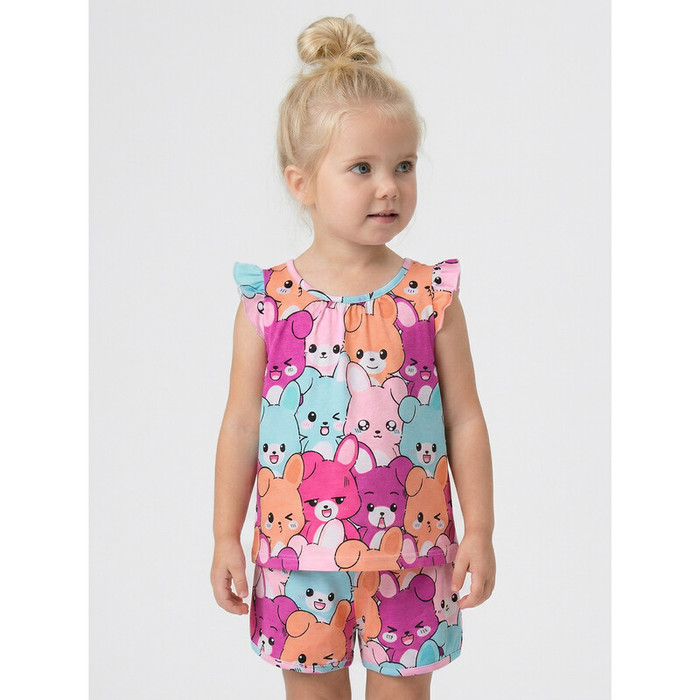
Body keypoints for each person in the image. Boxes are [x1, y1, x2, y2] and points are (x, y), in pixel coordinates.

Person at [211, 15, 495, 700]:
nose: (388, 186)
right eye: (362, 168)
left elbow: (465, 420)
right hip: (296, 557)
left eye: (404, 166)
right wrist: (225, 535)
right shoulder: (268, 304)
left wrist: (480, 530)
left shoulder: (431, 300)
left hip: (414, 553)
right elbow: (241, 425)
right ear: (301, 182)